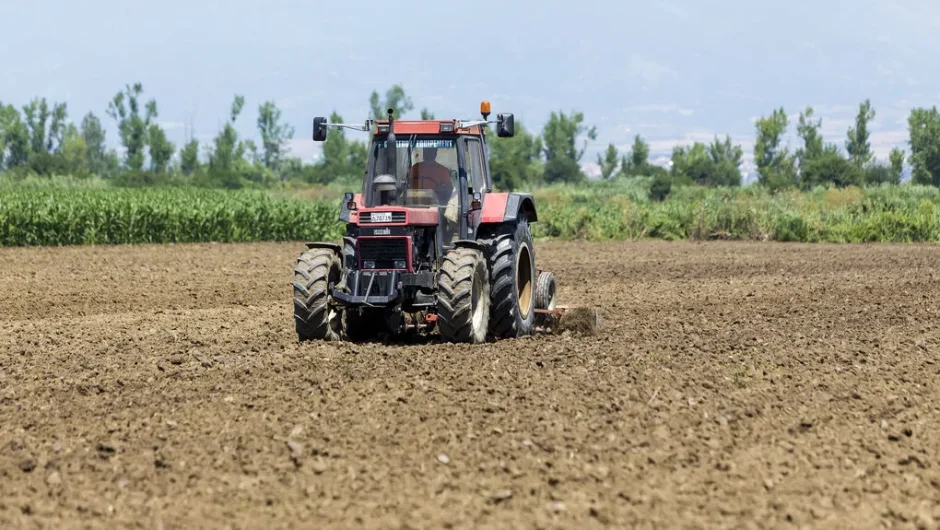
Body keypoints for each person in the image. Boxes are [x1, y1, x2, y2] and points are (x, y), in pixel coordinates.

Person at [409, 146, 459, 240]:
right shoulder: (415, 168)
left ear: (435, 153)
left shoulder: (442, 170)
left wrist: (440, 189)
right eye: (425, 150)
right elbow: (408, 186)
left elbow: (448, 190)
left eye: (430, 150)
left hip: (434, 204)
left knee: (436, 214)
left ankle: (439, 239)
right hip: (414, 203)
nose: (427, 152)